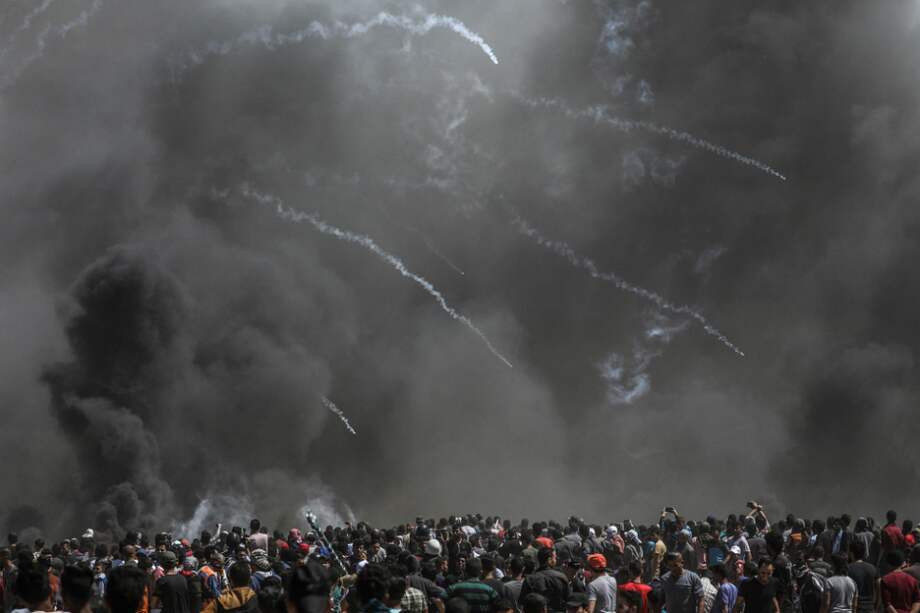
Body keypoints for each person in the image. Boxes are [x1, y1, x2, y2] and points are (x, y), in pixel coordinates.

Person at [520, 548, 570, 613]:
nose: (556, 560)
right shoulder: (561, 577)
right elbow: (569, 600)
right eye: (554, 557)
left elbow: (522, 602)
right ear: (549, 560)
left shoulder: (530, 579)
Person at [848, 542, 879, 613]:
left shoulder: (848, 569)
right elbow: (878, 586)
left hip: (855, 607)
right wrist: (876, 605)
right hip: (870, 607)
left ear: (852, 553)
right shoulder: (873, 568)